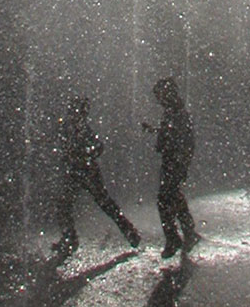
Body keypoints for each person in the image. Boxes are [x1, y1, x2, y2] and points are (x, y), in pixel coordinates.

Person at [52, 96, 141, 258]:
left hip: (84, 171)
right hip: (82, 171)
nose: (72, 111)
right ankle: (129, 232)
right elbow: (95, 147)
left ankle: (71, 237)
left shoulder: (78, 128)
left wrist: (83, 154)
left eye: (75, 108)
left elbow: (98, 147)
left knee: (93, 203)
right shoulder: (72, 127)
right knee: (93, 203)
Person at [144, 76, 199, 259]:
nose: (158, 100)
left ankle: (173, 238)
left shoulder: (176, 113)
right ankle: (188, 231)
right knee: (174, 197)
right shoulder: (175, 112)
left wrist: (181, 161)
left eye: (159, 95)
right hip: (174, 161)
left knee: (164, 200)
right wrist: (156, 131)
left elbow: (179, 138)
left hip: (174, 162)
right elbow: (175, 135)